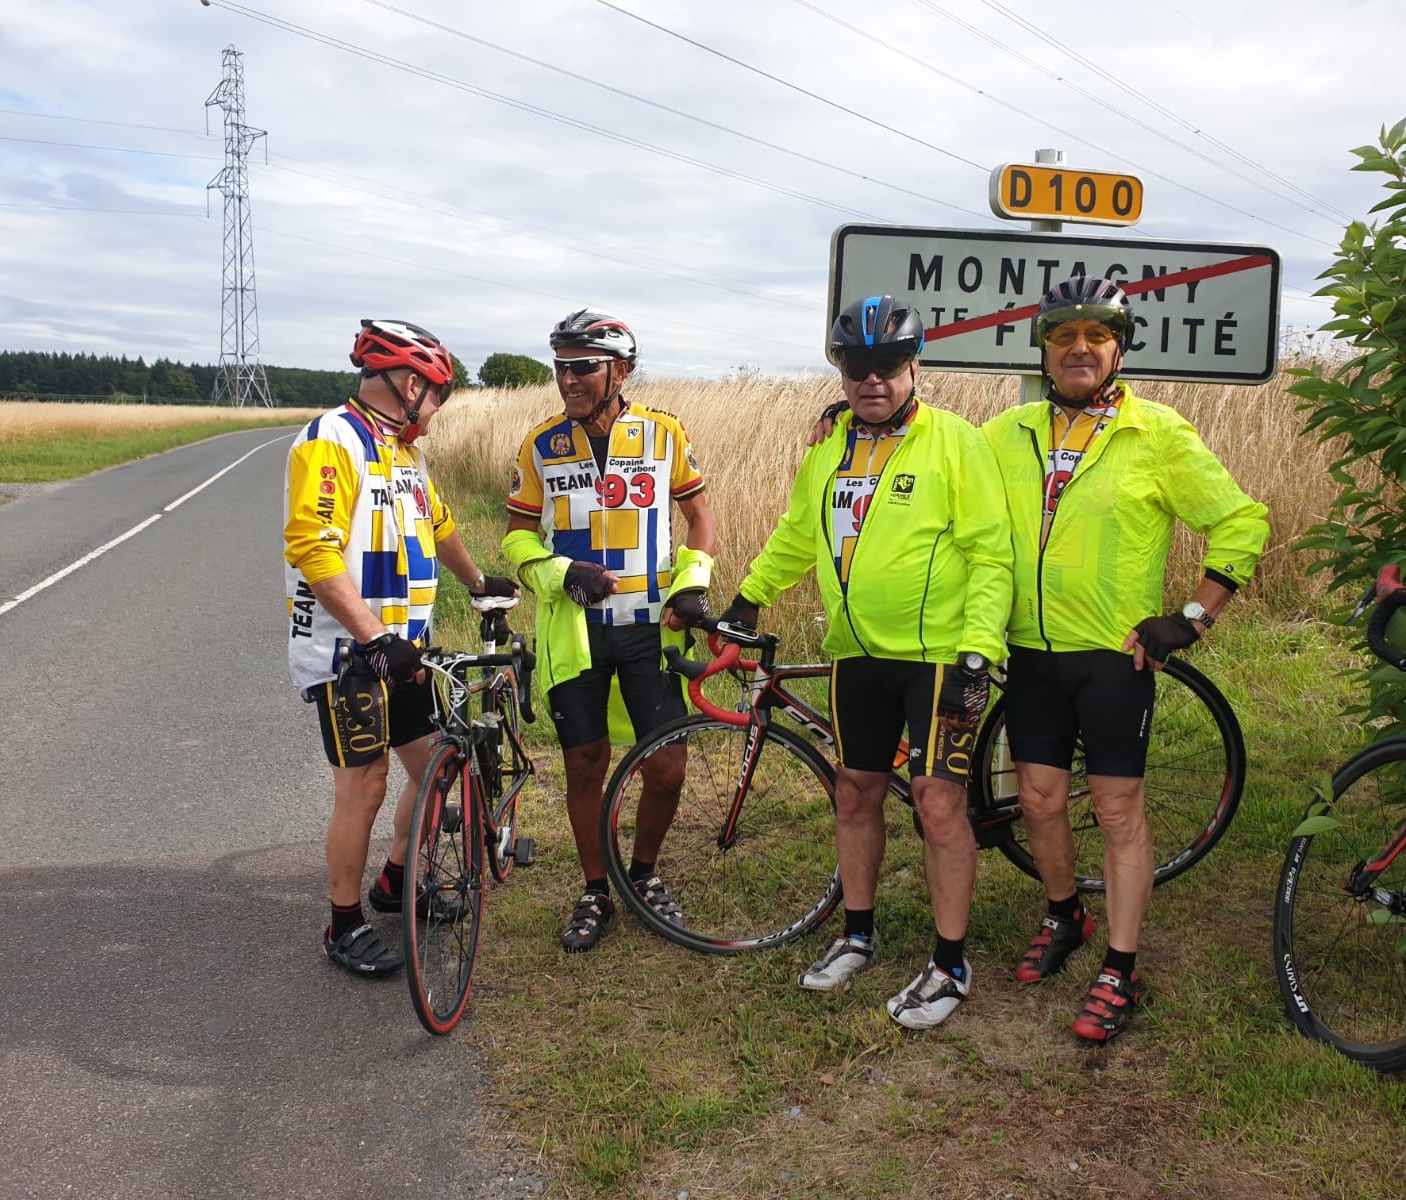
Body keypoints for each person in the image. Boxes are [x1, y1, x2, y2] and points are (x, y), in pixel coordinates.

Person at [983, 275, 1269, 1042]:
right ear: (1044, 350)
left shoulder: (1158, 434)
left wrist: (1193, 616)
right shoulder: (1006, 435)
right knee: (1038, 800)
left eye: (1096, 336)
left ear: (1119, 350)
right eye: (1063, 336)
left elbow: (1242, 520)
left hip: (1115, 658)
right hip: (1030, 652)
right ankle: (1064, 915)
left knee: (1116, 810)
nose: (1079, 348)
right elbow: (933, 459)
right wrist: (849, 421)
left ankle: (1121, 965)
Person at [723, 295, 1013, 1030]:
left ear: (914, 367)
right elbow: (798, 534)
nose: (872, 378)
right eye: (857, 365)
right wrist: (750, 596)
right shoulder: (830, 448)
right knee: (855, 792)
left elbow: (990, 553)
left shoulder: (956, 443)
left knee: (939, 802)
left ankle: (950, 963)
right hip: (856, 654)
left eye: (887, 364)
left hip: (939, 656)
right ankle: (857, 933)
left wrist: (980, 646)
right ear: (842, 372)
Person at [284, 319, 518, 977]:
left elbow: (438, 526)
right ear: (411, 385)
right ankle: (343, 923)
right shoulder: (332, 440)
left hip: (404, 652)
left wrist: (478, 583)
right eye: (438, 394)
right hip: (350, 656)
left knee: (433, 765)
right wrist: (374, 637)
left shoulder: (404, 452)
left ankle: (394, 882)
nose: (438, 409)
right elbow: (313, 549)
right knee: (364, 786)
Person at [503, 309, 718, 952]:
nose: (568, 379)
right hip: (577, 632)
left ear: (620, 371)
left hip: (650, 628)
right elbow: (516, 538)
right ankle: (596, 888)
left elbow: (700, 519)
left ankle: (643, 874)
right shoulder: (541, 444)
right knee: (584, 765)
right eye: (561, 367)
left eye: (584, 367)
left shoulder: (663, 433)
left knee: (668, 767)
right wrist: (561, 571)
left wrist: (693, 581)